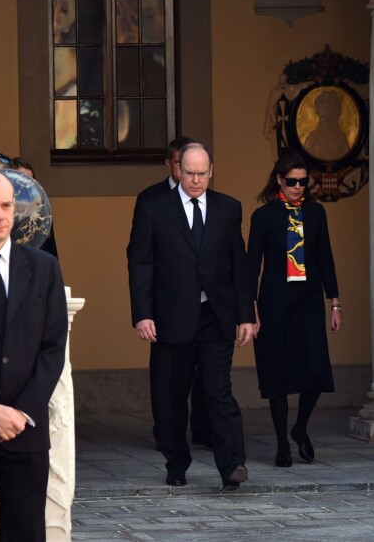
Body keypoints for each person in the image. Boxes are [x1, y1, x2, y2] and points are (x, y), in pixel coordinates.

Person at [127, 142, 255, 490]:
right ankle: (176, 462)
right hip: (170, 316)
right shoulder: (154, 208)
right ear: (177, 170)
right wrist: (143, 313)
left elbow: (238, 265)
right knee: (171, 395)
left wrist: (246, 314)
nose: (196, 180)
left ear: (211, 171)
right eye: (190, 173)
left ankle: (233, 464)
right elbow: (140, 263)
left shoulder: (228, 208)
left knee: (219, 391)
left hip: (215, 314)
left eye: (202, 173)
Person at [0, 169, 68, 542]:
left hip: (26, 425)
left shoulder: (43, 267)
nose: (0, 215)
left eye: (6, 206)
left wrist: (20, 412)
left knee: (27, 530)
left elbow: (52, 347)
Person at [247, 153, 342, 468]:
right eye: (292, 181)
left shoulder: (316, 214)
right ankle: (281, 445)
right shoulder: (263, 216)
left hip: (308, 301)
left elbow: (325, 258)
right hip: (274, 302)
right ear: (279, 180)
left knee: (315, 370)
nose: (298, 187)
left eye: (303, 181)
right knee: (277, 373)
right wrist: (251, 308)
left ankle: (299, 428)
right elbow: (252, 265)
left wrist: (335, 303)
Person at [128, 136, 212, 451]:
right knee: (167, 381)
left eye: (197, 169)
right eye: (181, 164)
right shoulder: (151, 201)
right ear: (171, 164)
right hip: (168, 309)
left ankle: (204, 430)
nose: (190, 173)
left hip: (205, 308)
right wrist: (143, 310)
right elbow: (139, 258)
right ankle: (167, 434)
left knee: (208, 375)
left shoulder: (214, 203)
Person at [10, 156, 59, 259]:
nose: (28, 188)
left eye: (31, 183)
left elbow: (50, 254)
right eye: (22, 182)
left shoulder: (41, 214)